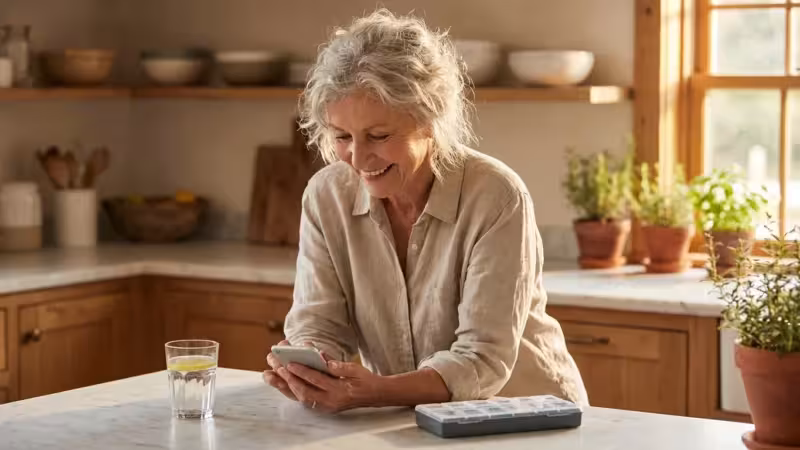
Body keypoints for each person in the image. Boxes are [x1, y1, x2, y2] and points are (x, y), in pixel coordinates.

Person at [263, 9, 588, 413]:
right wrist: (309, 363)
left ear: (430, 119)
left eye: (379, 136)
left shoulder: (497, 196)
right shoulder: (325, 195)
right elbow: (319, 322)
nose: (359, 158)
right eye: (342, 136)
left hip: (524, 414)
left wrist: (375, 391)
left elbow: (482, 359)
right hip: (414, 419)